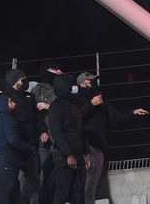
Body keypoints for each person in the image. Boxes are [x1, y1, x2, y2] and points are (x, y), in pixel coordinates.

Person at [76, 72, 148, 204]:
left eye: (94, 80)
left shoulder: (101, 101)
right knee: (87, 180)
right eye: (90, 81)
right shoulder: (77, 100)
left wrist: (132, 113)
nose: (93, 83)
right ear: (82, 84)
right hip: (86, 146)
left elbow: (117, 119)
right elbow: (74, 120)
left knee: (94, 182)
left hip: (99, 147)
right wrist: (91, 104)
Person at [5, 69, 48, 204]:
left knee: (34, 177)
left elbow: (36, 117)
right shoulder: (7, 99)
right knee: (14, 179)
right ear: (14, 81)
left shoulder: (29, 97)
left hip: (31, 144)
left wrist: (43, 130)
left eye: (25, 76)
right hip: (15, 145)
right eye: (21, 78)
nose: (24, 80)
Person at [48, 74, 92, 204]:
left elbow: (80, 130)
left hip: (79, 155)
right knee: (62, 193)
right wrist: (68, 154)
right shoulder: (56, 107)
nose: (74, 88)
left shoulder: (74, 105)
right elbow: (57, 133)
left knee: (78, 195)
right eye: (71, 85)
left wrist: (87, 152)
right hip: (64, 157)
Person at [0, 93, 32, 204]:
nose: (14, 103)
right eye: (10, 101)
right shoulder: (6, 119)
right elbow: (12, 139)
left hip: (1, 164)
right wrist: (27, 147)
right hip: (5, 165)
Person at [31, 61, 63, 204]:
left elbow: (68, 110)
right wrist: (41, 131)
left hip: (59, 139)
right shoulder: (37, 90)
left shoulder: (62, 88)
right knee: (42, 174)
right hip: (42, 140)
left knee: (58, 175)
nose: (57, 71)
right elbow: (32, 115)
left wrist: (50, 107)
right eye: (54, 69)